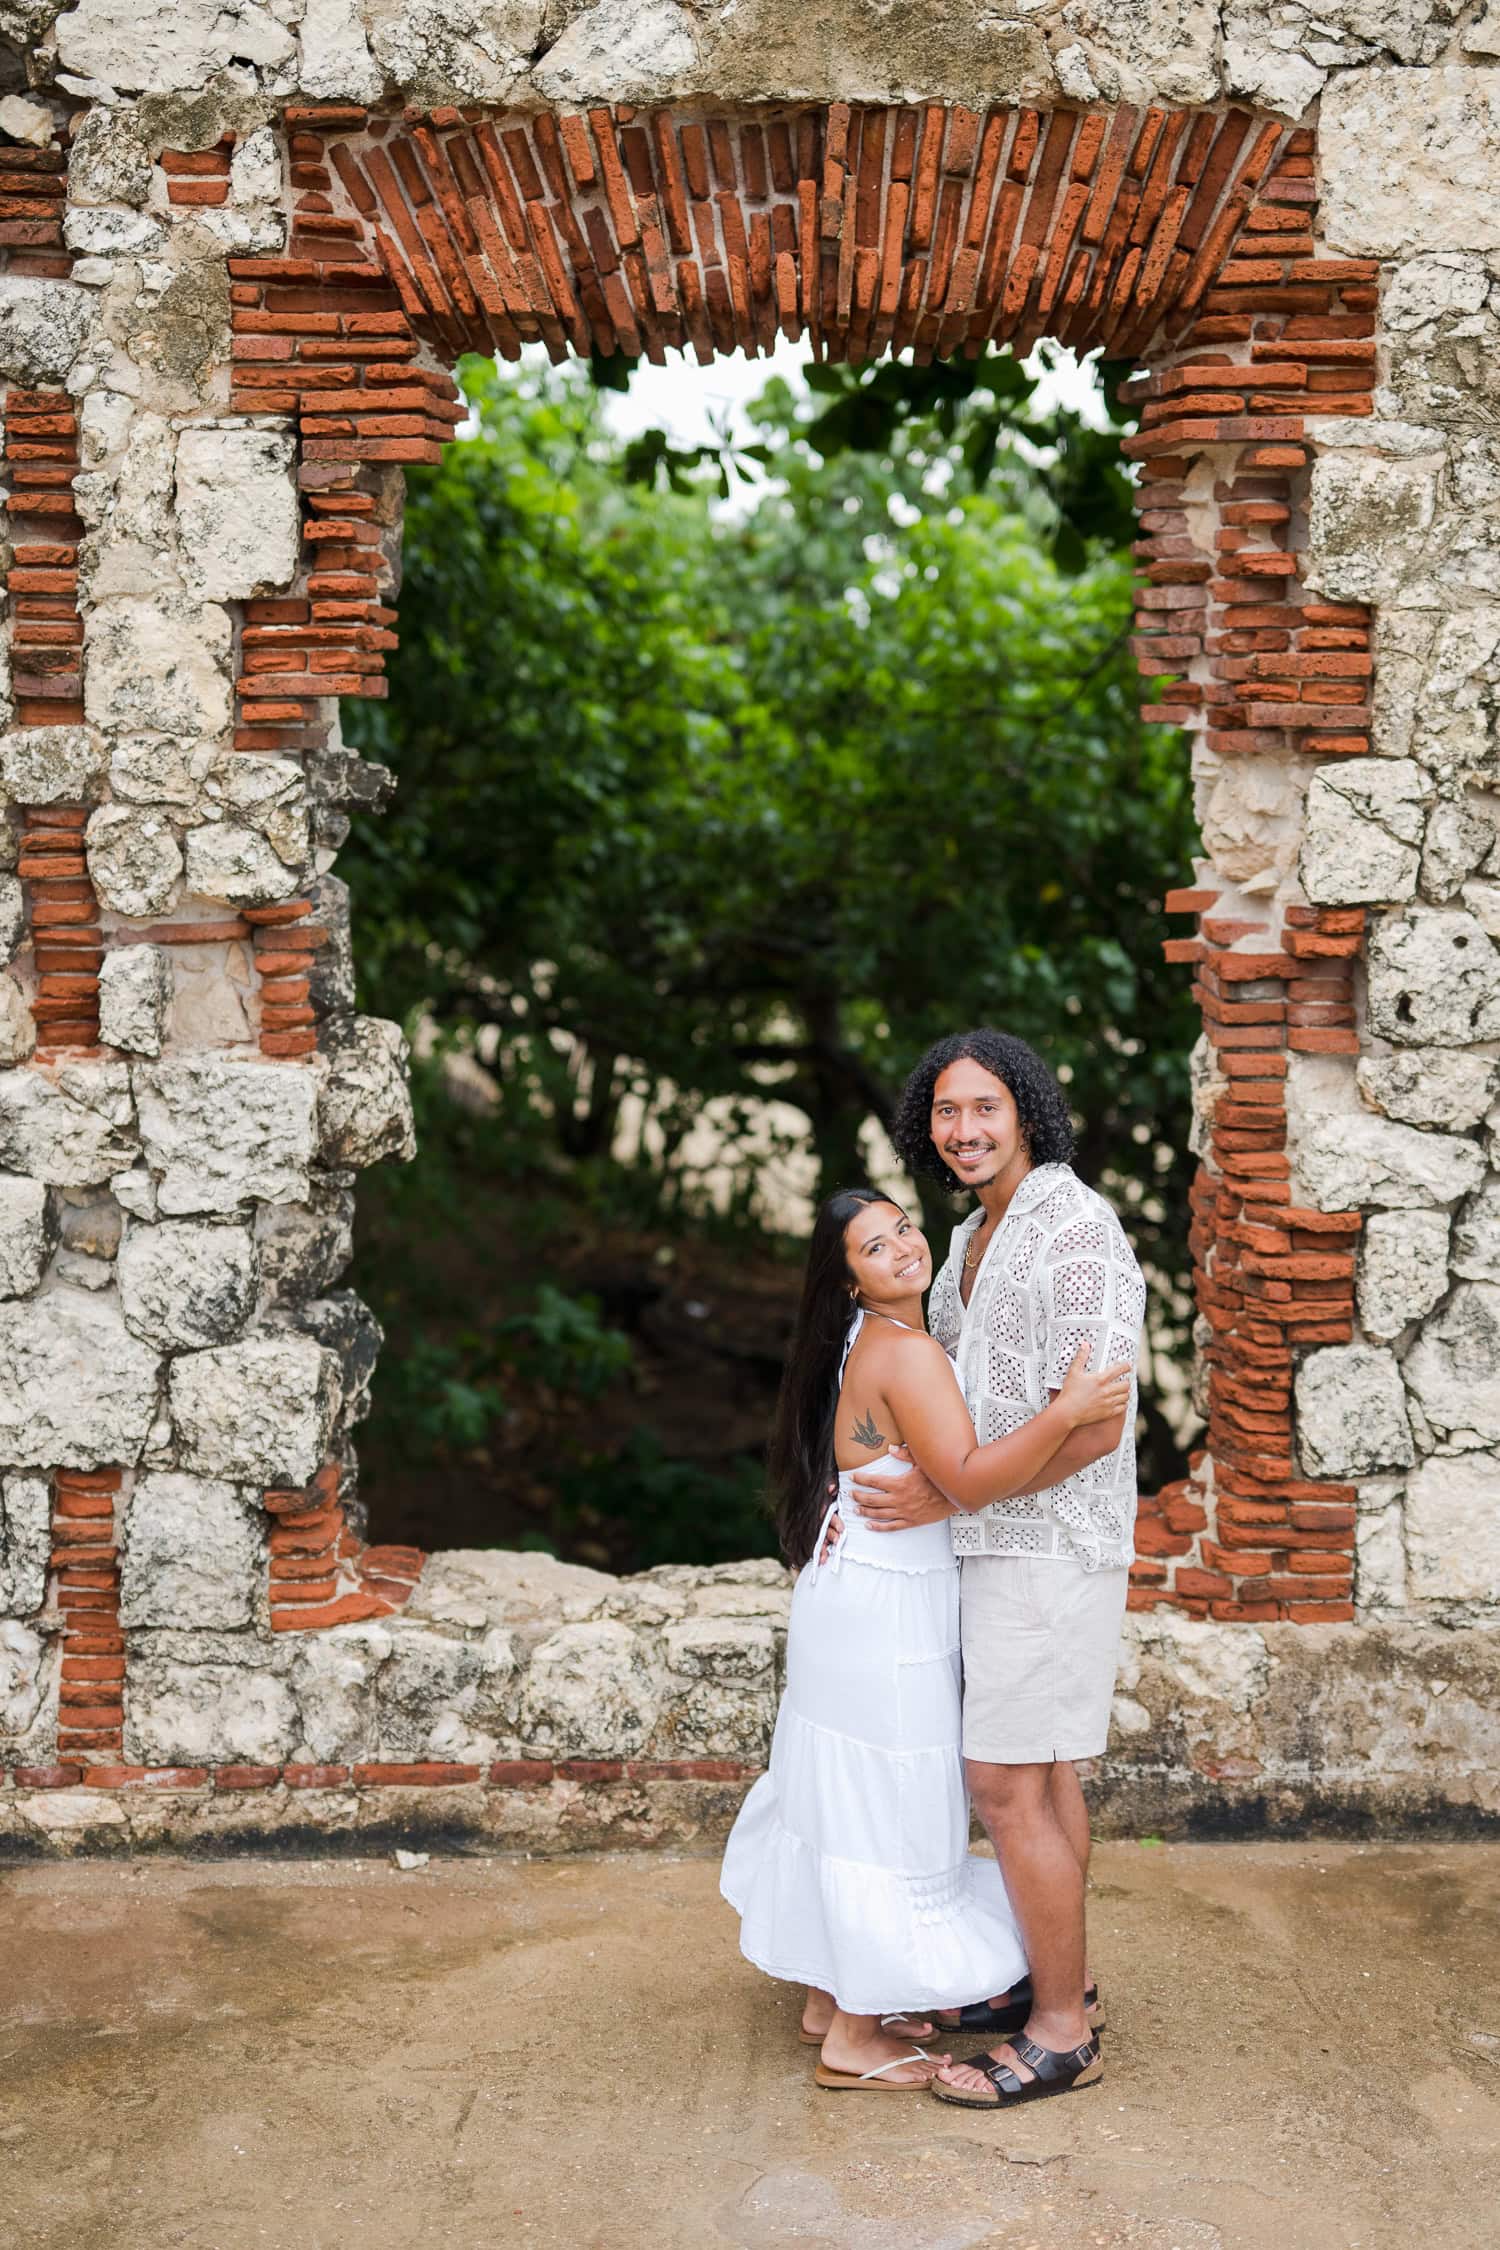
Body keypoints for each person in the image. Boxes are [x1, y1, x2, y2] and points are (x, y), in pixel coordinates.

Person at [720, 1185, 1132, 2093]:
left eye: (903, 1225)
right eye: (876, 1247)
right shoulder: (907, 1355)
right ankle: (854, 2039)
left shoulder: (856, 1346)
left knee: (840, 1789)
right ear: (851, 1281)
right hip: (889, 1609)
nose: (905, 1247)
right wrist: (1070, 1409)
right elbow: (974, 1474)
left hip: (850, 1595)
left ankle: (831, 1999)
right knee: (892, 1801)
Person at [849, 1029, 1145, 2111]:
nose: (963, 1130)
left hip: (1051, 1545)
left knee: (1004, 1783)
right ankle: (1060, 1983)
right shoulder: (977, 1232)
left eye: (984, 1107)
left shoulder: (1073, 1231)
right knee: (1044, 1771)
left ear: (1025, 1109)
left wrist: (958, 1489)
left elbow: (1096, 1428)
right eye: (944, 1112)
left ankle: (1061, 2035)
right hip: (995, 1540)